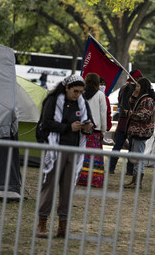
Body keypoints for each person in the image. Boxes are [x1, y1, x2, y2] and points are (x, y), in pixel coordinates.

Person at [36, 74, 93, 239]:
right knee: (49, 187)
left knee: (68, 190)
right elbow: (46, 123)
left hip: (74, 150)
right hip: (55, 149)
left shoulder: (83, 103)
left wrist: (88, 126)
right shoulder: (53, 101)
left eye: (81, 92)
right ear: (66, 87)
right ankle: (42, 223)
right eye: (75, 91)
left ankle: (62, 225)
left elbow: (90, 120)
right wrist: (68, 127)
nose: (78, 95)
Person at [123, 77, 155, 189]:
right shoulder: (141, 98)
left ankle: (137, 182)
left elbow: (145, 116)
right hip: (137, 131)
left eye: (137, 86)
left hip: (142, 131)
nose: (136, 88)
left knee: (139, 157)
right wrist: (134, 94)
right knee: (136, 156)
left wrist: (131, 114)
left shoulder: (148, 100)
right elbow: (131, 102)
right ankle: (135, 181)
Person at [77, 73, 108, 187]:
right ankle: (94, 180)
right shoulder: (100, 95)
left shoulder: (81, 94)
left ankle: (80, 178)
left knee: (82, 155)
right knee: (94, 156)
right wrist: (103, 130)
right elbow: (102, 113)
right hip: (95, 130)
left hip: (83, 129)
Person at [109, 70, 142, 175]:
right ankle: (129, 170)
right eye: (140, 76)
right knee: (130, 146)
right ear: (136, 77)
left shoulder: (123, 87)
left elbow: (119, 101)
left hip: (123, 118)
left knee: (118, 145)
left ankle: (111, 168)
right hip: (129, 119)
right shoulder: (133, 89)